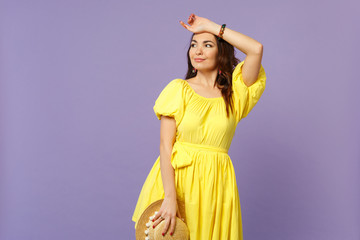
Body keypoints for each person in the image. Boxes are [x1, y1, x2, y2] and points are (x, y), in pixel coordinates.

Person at [132, 13, 267, 239]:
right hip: (177, 184)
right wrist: (170, 198)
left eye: (207, 45)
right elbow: (166, 147)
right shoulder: (178, 90)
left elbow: (256, 49)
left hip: (217, 186)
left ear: (220, 52)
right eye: (194, 45)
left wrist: (212, 27)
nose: (198, 51)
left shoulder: (235, 95)